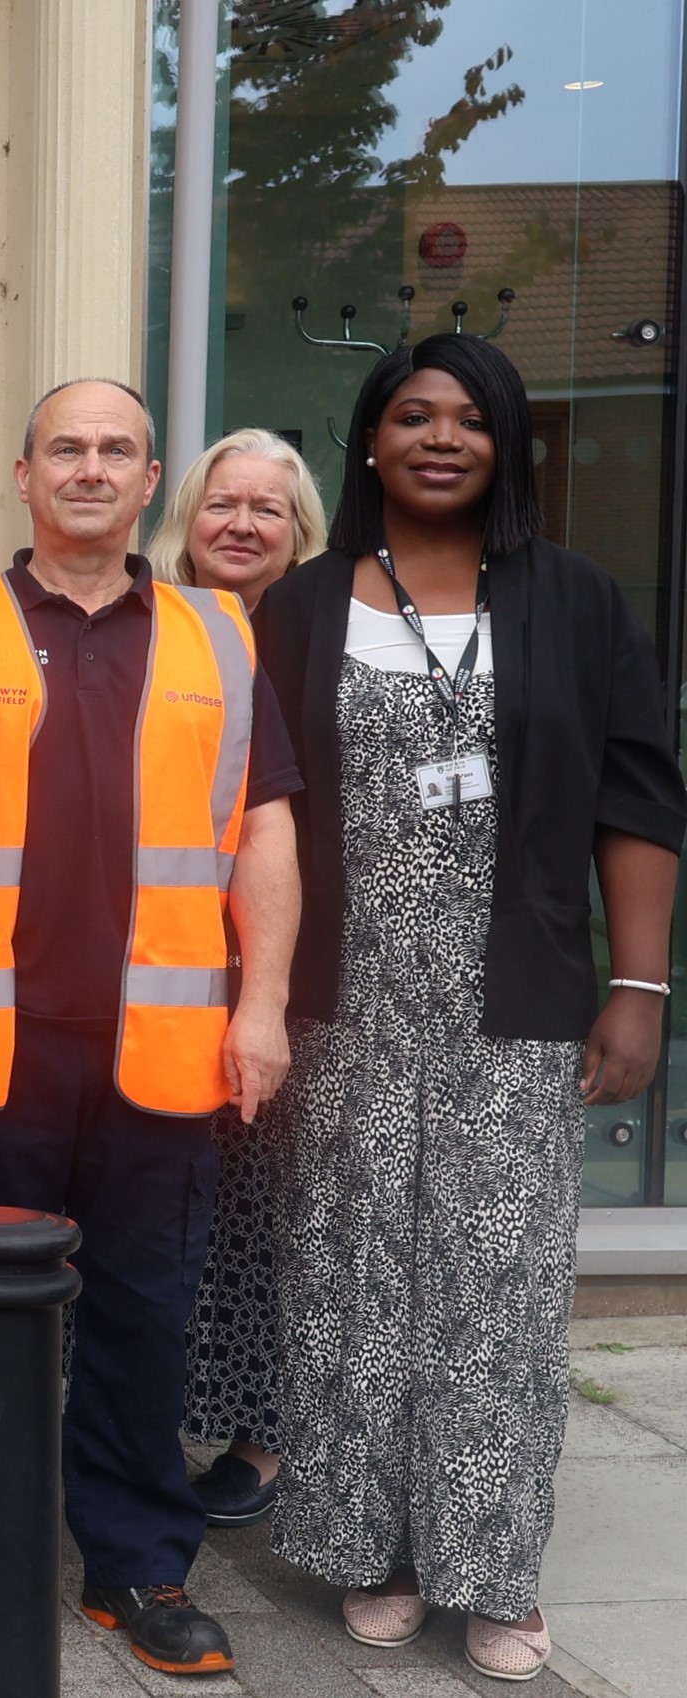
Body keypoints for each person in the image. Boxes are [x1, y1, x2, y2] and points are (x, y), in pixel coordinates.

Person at [253, 335, 683, 1683]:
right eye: (412, 415)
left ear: (510, 446)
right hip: (344, 1003)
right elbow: (252, 813)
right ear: (369, 443)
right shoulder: (307, 603)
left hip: (516, 1001)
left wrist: (640, 982)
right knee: (351, 1277)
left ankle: (492, 1570)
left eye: (471, 420)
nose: (442, 437)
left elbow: (638, 798)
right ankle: (370, 1550)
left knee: (496, 1289)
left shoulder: (578, 600)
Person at [0, 378, 302, 1679]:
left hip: (160, 1052)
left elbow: (264, 826)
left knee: (142, 1313)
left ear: (150, 480)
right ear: (23, 474)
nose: (93, 469)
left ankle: (137, 1562)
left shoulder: (220, 636)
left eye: (118, 450)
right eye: (69, 447)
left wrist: (264, 1003)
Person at [139, 428, 329, 1534]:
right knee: (173, 1212)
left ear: (299, 533)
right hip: (162, 967)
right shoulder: (157, 624)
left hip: (290, 964)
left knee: (269, 1213)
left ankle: (264, 1435)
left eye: (268, 509)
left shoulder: (320, 640)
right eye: (223, 505)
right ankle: (156, 1418)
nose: (242, 525)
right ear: (188, 520)